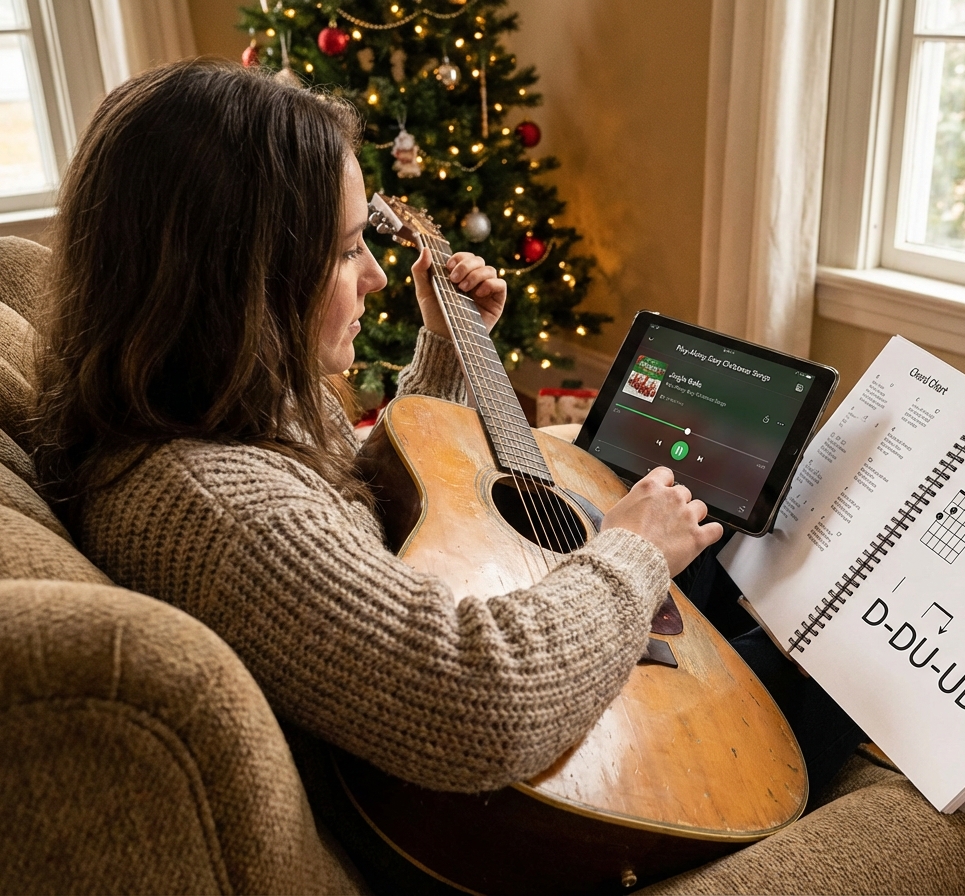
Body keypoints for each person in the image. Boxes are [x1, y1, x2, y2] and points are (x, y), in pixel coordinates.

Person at [33, 59, 862, 892]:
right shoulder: (218, 508)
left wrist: (442, 349)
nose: (379, 278)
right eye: (348, 248)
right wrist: (632, 554)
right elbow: (477, 701)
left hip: (492, 693)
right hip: (502, 802)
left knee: (754, 580)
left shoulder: (204, 405)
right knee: (843, 654)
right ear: (239, 276)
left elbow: (359, 510)